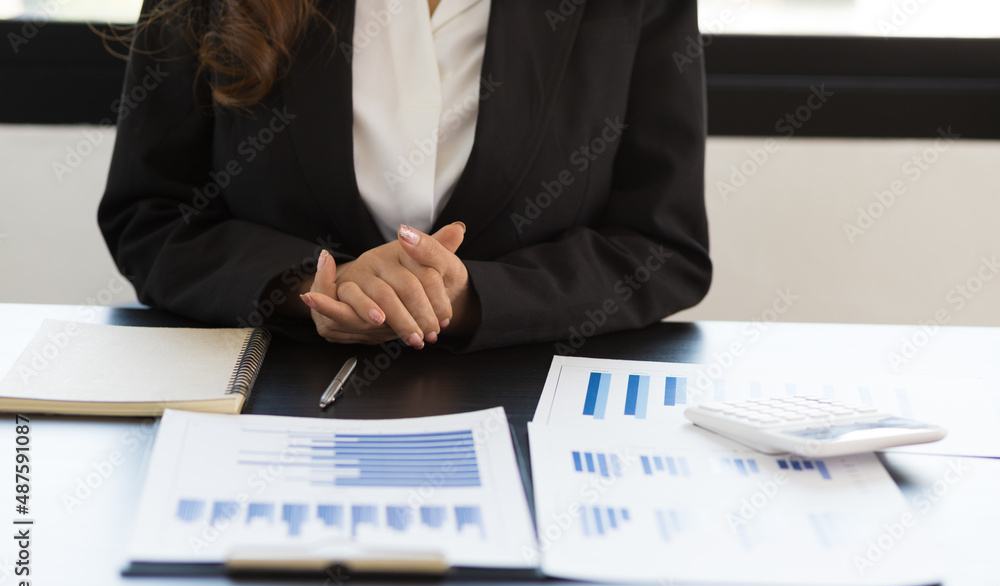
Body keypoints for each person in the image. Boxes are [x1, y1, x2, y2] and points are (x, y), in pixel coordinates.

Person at [99, 0, 712, 353]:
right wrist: (320, 288)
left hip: (535, 407)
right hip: (274, 399)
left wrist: (471, 298)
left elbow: (662, 244)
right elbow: (152, 216)